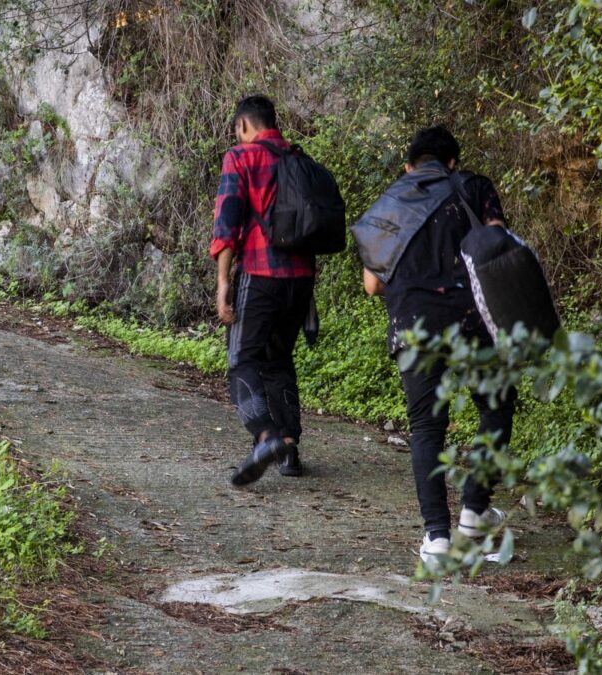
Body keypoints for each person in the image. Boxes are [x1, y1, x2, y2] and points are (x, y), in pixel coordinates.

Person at [353, 126, 516, 564]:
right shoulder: (473, 187)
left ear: (409, 167)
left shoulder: (390, 203)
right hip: (472, 318)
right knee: (496, 406)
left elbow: (371, 284)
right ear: (451, 162)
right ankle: (474, 512)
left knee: (427, 427)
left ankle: (437, 539)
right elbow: (497, 248)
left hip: (414, 324)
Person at [210, 95, 315, 485]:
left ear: (243, 126)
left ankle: (266, 436)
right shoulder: (298, 158)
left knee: (243, 361)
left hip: (259, 273)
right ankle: (289, 446)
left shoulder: (241, 157)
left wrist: (223, 284)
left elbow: (227, 225)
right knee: (279, 358)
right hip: (302, 279)